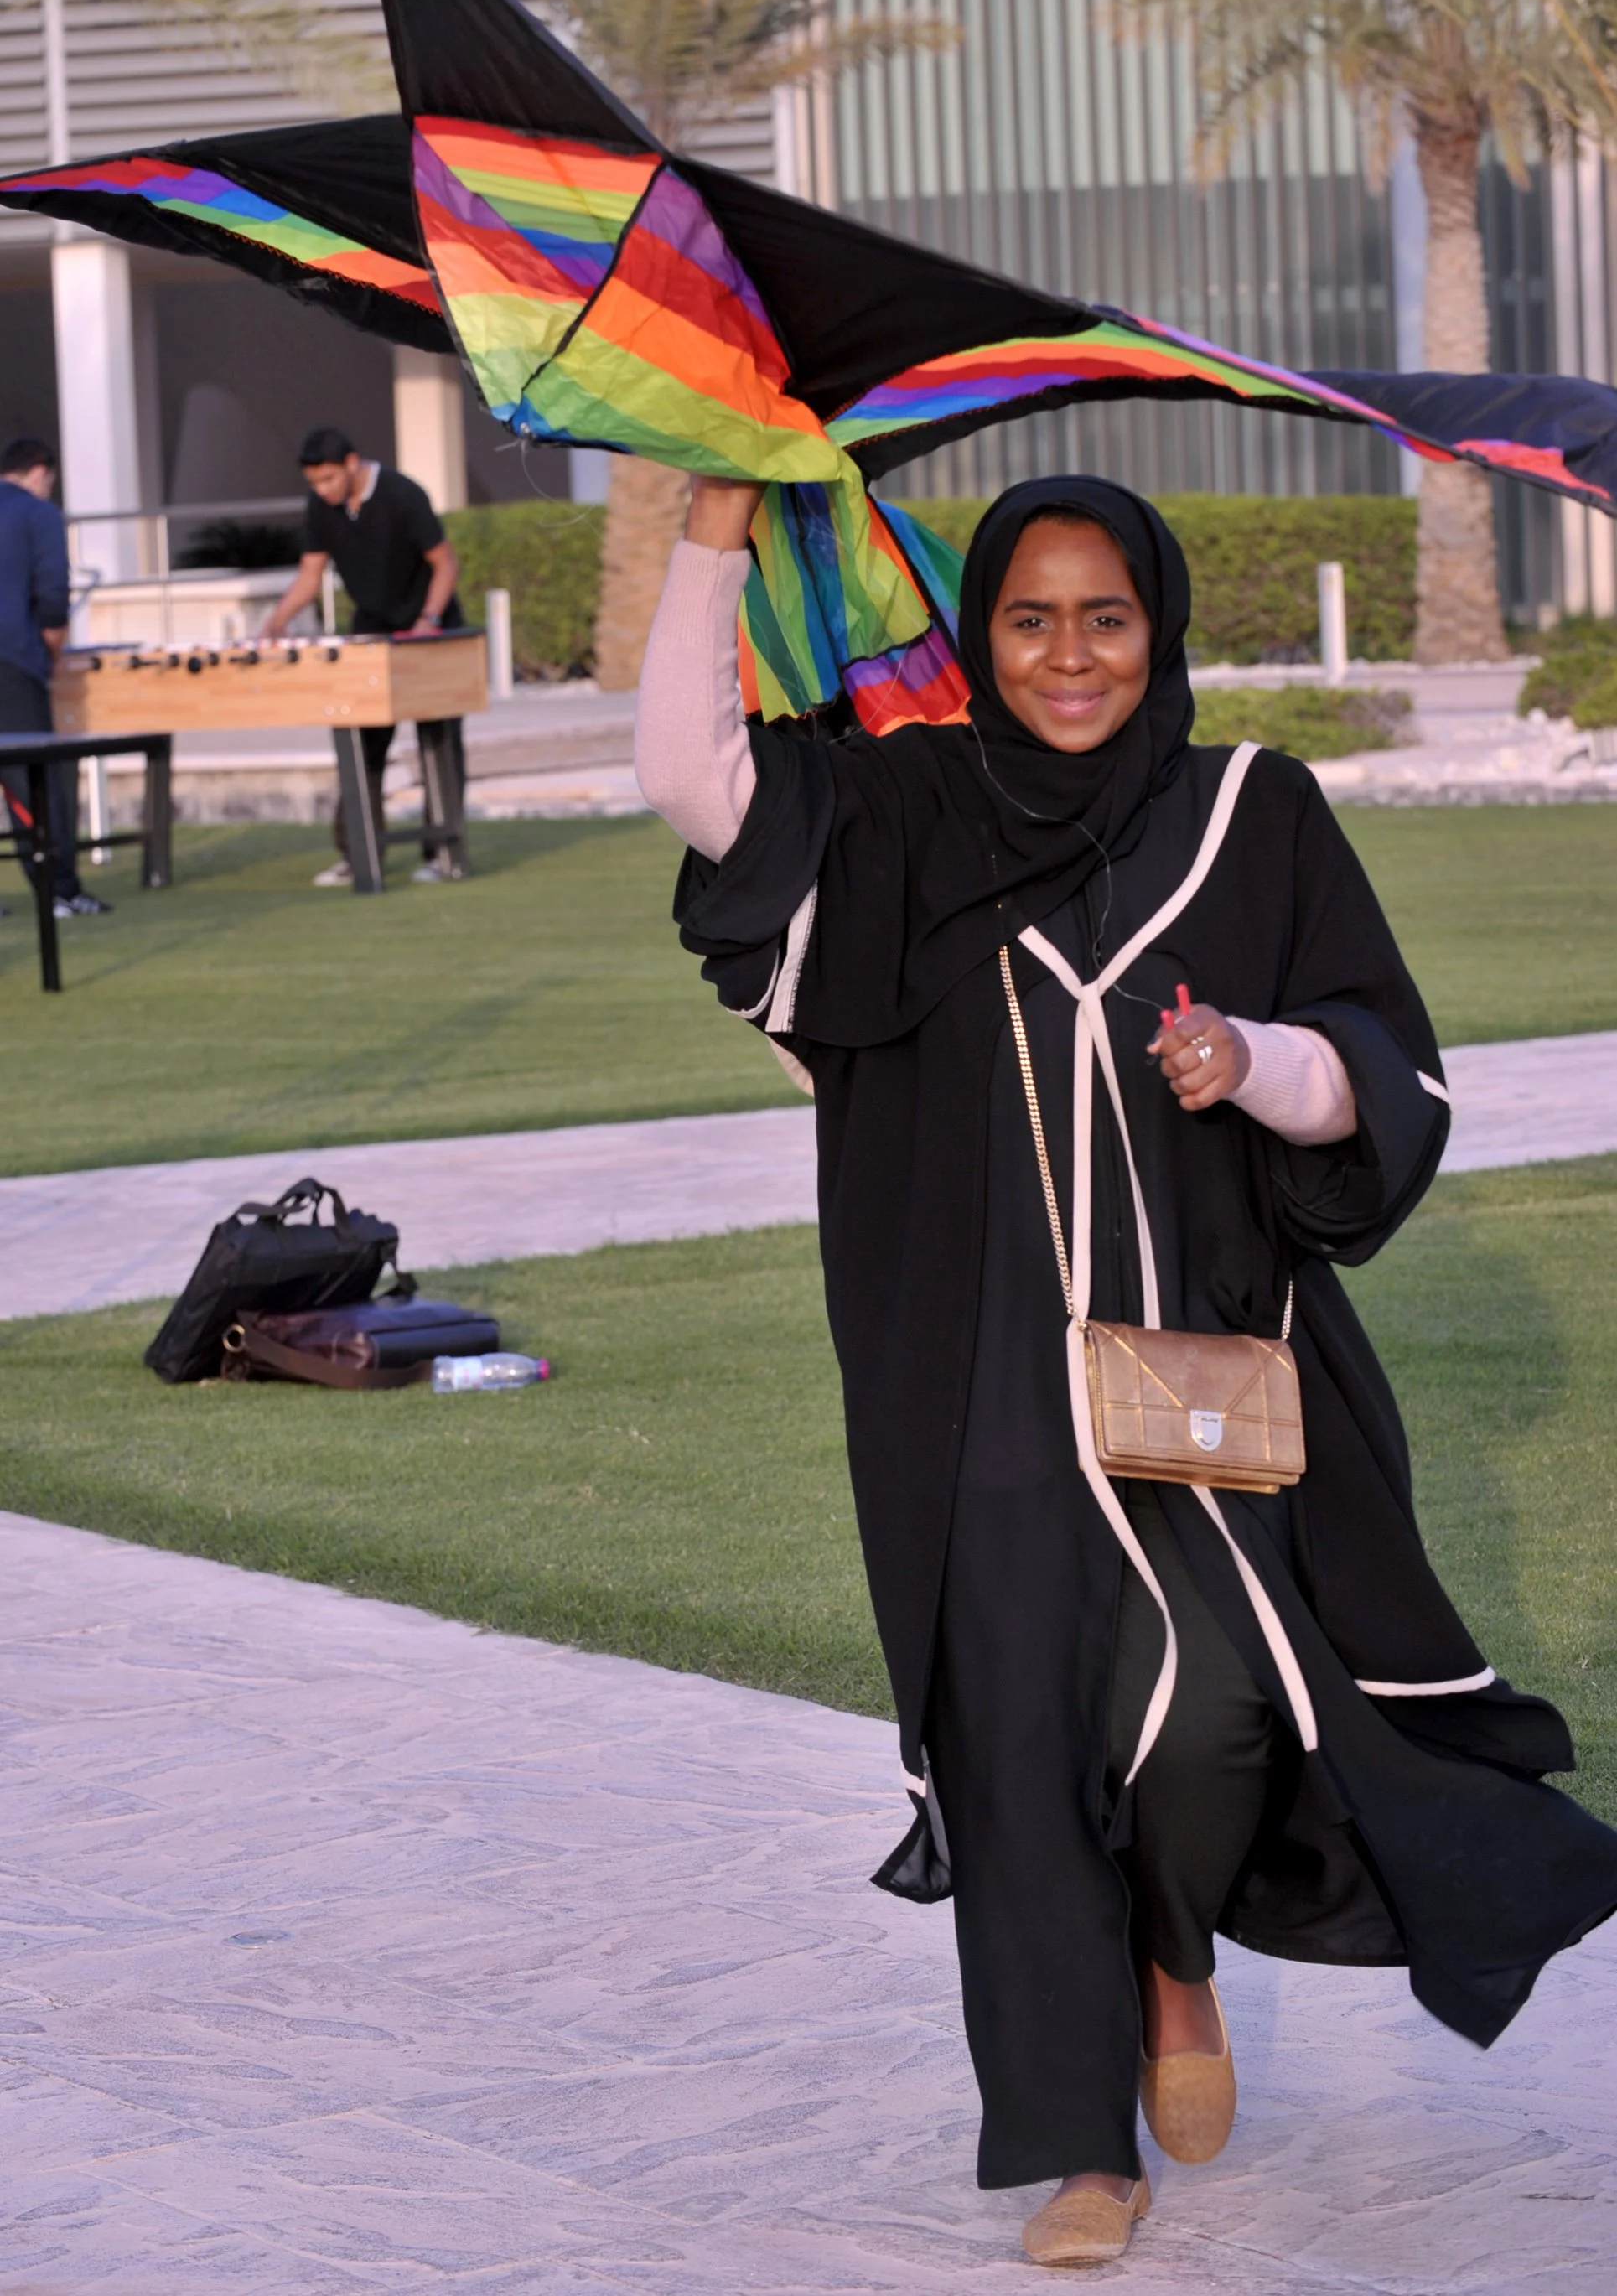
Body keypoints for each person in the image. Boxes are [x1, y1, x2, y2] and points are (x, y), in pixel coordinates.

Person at [635, 473, 1617, 2269]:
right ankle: (1077, 2149)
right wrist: (709, 533)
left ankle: (1174, 1952)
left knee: (1219, 1703)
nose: (1067, 654)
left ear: (1155, 628)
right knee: (1015, 1737)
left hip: (1201, 1372)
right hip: (973, 1377)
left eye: (1104, 617)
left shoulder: (1250, 811)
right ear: (981, 634)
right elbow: (698, 787)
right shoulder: (904, 810)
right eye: (1027, 618)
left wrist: (1251, 1060)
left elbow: (1378, 1070)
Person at [263, 427, 466, 886]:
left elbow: (445, 563)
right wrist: (275, 623)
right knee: (361, 742)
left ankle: (443, 855)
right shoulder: (322, 506)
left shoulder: (402, 494)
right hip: (371, 627)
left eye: (329, 479)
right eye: (314, 482)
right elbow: (310, 575)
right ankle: (359, 854)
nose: (322, 490)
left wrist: (429, 620)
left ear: (352, 463)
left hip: (429, 626)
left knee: (437, 742)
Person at [0, 434, 109, 920]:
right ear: (41, 471)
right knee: (35, 781)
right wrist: (53, 651)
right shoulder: (38, 514)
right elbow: (52, 596)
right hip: (11, 663)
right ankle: (59, 890)